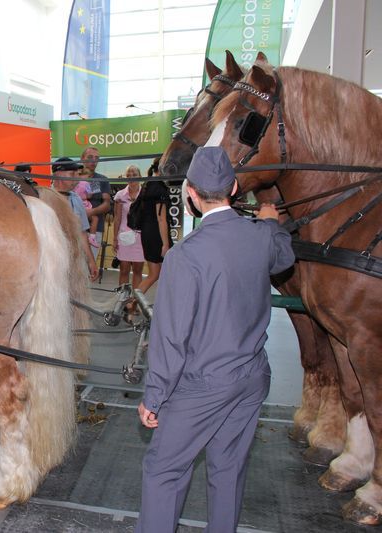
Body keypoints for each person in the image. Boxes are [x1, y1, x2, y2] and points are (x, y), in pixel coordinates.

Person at [135, 146, 295, 532]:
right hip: (251, 377)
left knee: (164, 471)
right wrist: (272, 224)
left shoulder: (185, 256)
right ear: (235, 188)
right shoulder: (260, 237)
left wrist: (154, 396)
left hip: (202, 385)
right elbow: (284, 258)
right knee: (228, 469)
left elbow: (171, 338)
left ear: (190, 194)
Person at [125, 158, 171, 318]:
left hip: (147, 233)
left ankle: (132, 304)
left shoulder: (148, 185)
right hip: (156, 235)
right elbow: (161, 219)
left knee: (155, 274)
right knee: (155, 274)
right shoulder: (159, 188)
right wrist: (165, 244)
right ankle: (132, 303)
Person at [51, 157, 98, 281]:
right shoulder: (45, 199)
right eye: (72, 173)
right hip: (52, 263)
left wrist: (91, 261)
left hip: (74, 263)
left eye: (77, 173)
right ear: (58, 175)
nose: (77, 177)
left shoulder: (77, 199)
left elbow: (82, 233)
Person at [112, 165, 144, 288]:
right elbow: (117, 218)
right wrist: (115, 239)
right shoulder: (120, 195)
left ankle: (135, 298)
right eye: (129, 175)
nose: (131, 177)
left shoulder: (145, 194)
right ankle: (123, 298)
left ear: (140, 176)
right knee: (124, 270)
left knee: (138, 271)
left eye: (134, 175)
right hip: (124, 237)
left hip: (140, 238)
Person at [80, 147, 112, 260]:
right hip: (74, 228)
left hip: (94, 230)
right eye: (90, 157)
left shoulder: (99, 179)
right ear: (82, 158)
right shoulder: (73, 178)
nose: (94, 160)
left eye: (96, 158)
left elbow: (107, 204)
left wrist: (90, 212)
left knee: (90, 264)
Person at [73, 168, 99, 249]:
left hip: (75, 205)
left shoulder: (74, 182)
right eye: (89, 176)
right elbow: (90, 195)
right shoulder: (89, 183)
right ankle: (92, 237)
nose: (90, 178)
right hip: (84, 205)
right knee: (95, 218)